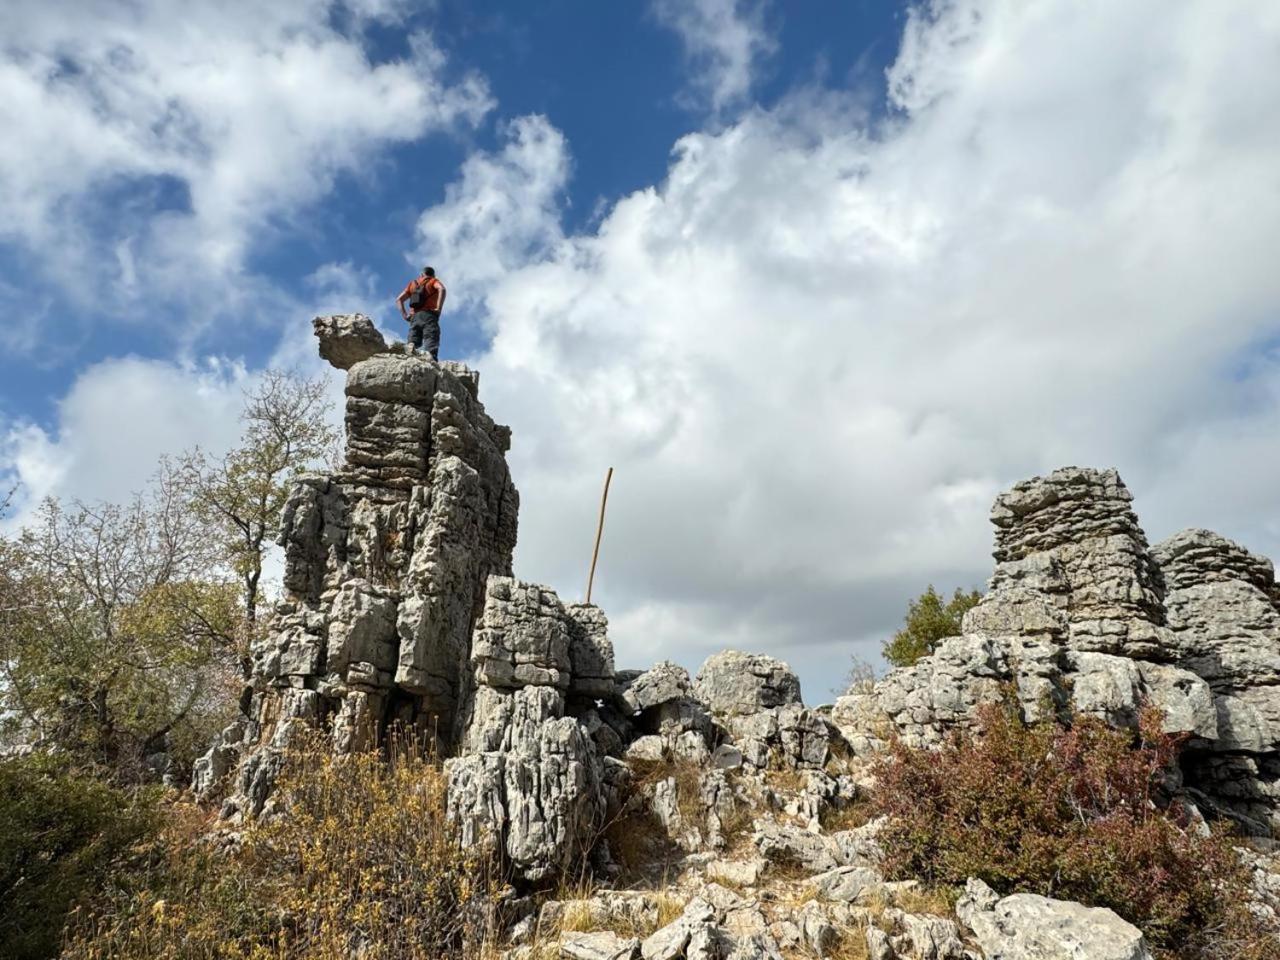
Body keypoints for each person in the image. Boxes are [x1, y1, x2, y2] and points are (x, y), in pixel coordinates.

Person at [397, 266, 447, 359]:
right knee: (430, 338)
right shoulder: (433, 281)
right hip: (429, 315)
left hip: (414, 317)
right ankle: (430, 360)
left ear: (421, 274)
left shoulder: (413, 284)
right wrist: (438, 308)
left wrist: (405, 315)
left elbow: (399, 299)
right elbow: (442, 289)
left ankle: (409, 358)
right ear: (433, 275)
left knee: (412, 342)